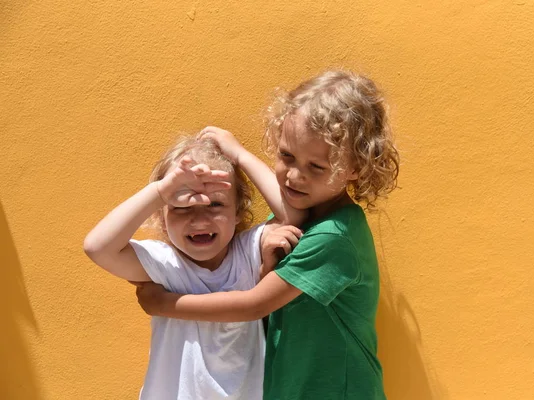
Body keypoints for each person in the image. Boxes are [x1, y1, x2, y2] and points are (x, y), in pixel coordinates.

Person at [135, 70, 400, 400]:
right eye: (286, 155)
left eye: (315, 167)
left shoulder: (334, 237)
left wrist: (164, 303)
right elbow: (274, 280)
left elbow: (253, 305)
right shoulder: (301, 217)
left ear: (356, 167)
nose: (293, 176)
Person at [83, 135, 303, 400]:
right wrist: (160, 192)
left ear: (238, 212)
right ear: (161, 218)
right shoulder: (165, 263)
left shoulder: (248, 251)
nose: (200, 219)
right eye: (181, 205)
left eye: (215, 204)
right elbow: (98, 247)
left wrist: (240, 155)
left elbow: (294, 215)